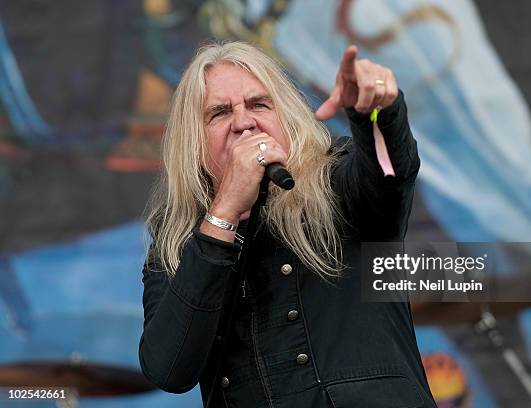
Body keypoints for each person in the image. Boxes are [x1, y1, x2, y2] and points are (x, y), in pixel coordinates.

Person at [139, 41, 437, 407]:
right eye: (218, 113)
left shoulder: (336, 181)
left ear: (288, 120)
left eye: (258, 104)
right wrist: (225, 212)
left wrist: (379, 115)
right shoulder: (177, 242)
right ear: (194, 144)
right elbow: (168, 369)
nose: (243, 122)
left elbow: (391, 178)